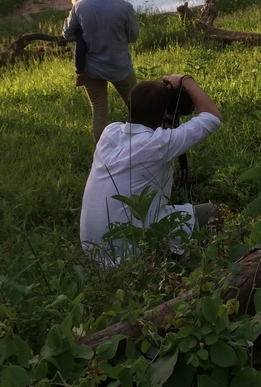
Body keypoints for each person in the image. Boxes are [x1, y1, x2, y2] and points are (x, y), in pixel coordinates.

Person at [80, 74, 223, 264]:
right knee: (214, 212)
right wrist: (185, 80)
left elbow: (149, 131)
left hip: (93, 247)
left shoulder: (109, 132)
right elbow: (213, 117)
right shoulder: (158, 144)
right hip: (129, 250)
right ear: (164, 113)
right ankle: (181, 260)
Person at [63, 0, 139, 142]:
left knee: (99, 111)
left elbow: (67, 33)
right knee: (137, 107)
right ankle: (141, 145)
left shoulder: (80, 6)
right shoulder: (124, 8)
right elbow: (133, 37)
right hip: (119, 66)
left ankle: (102, 155)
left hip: (91, 68)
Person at [66, 0, 94, 87]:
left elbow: (67, 32)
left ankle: (80, 70)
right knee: (80, 41)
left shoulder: (77, 2)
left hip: (86, 30)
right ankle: (80, 70)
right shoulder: (81, 2)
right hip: (87, 30)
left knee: (80, 42)